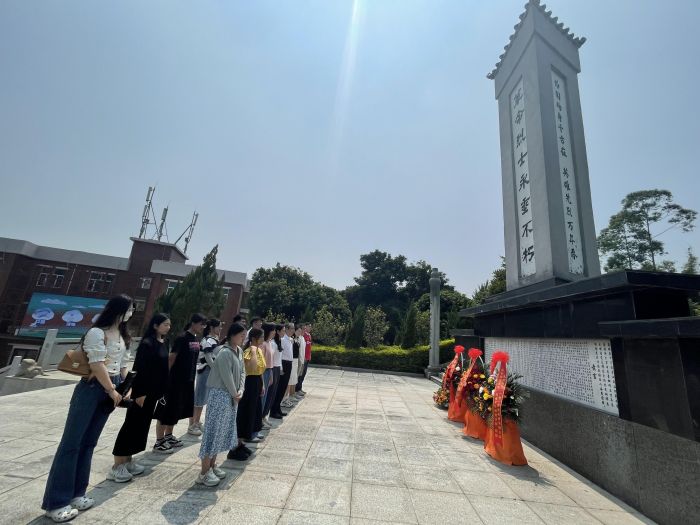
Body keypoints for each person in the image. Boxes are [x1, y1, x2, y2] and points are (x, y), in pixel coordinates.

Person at [42, 295, 134, 523]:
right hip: (92, 389)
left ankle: (77, 493)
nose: (131, 313)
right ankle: (56, 502)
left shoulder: (123, 335)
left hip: (111, 388)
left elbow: (123, 364)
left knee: (89, 443)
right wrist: (111, 390)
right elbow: (96, 364)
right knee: (71, 444)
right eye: (130, 309)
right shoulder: (97, 332)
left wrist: (126, 387)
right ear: (119, 309)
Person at [110, 313, 171, 481]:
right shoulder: (147, 344)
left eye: (169, 324)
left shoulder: (164, 342)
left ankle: (128, 460)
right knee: (131, 426)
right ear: (155, 326)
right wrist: (139, 393)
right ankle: (117, 466)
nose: (168, 327)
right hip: (142, 393)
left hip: (154, 393)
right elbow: (140, 368)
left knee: (141, 427)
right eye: (165, 324)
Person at [197, 323, 246, 486]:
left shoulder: (239, 351)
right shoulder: (224, 352)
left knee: (221, 432)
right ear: (232, 335)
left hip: (232, 396)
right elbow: (226, 376)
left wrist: (241, 389)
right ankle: (204, 472)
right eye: (241, 335)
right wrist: (235, 393)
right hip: (220, 396)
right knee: (213, 432)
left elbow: (243, 372)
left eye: (244, 336)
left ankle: (212, 465)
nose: (243, 338)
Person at [153, 313, 207, 452]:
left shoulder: (195, 339)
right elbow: (172, 357)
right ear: (193, 323)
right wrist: (165, 377)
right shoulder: (182, 338)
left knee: (176, 409)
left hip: (187, 381)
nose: (203, 327)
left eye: (204, 324)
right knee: (165, 410)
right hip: (174, 381)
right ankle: (159, 441)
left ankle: (169, 435)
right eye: (201, 324)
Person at [190, 318, 223, 436]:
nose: (220, 329)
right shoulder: (208, 341)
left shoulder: (214, 340)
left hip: (210, 371)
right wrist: (216, 370)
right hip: (205, 371)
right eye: (219, 326)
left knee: (204, 398)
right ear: (212, 328)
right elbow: (208, 358)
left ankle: (197, 422)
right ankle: (193, 424)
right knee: (199, 398)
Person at [235, 328, 266, 443]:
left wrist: (262, 385)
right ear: (254, 338)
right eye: (261, 337)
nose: (263, 339)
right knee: (249, 408)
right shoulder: (248, 351)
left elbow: (260, 370)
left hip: (257, 380)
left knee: (257, 408)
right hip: (249, 381)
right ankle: (246, 434)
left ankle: (254, 431)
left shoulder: (259, 350)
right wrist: (253, 350)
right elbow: (252, 367)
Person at [270, 322, 293, 418]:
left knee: (283, 388)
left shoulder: (287, 340)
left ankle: (277, 408)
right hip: (282, 364)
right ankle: (273, 410)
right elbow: (279, 356)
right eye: (283, 330)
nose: (284, 332)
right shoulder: (281, 340)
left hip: (287, 364)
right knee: (279, 389)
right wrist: (281, 368)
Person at [263, 324, 284, 421]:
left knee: (272, 393)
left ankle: (265, 416)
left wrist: (280, 368)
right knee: (268, 393)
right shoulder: (271, 343)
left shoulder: (274, 342)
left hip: (275, 368)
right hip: (271, 368)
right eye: (273, 330)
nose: (274, 332)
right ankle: (263, 416)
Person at [259, 322, 277, 429]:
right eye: (273, 330)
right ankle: (259, 421)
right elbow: (260, 362)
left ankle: (262, 418)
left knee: (266, 397)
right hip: (263, 371)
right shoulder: (263, 344)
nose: (274, 332)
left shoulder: (269, 342)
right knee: (262, 397)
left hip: (269, 370)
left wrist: (271, 374)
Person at [283, 324, 300, 408]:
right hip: (284, 363)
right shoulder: (283, 339)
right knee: (285, 383)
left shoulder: (290, 339)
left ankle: (286, 398)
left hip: (290, 362)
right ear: (286, 329)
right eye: (292, 328)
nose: (293, 330)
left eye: (293, 328)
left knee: (289, 381)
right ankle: (283, 399)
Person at [296, 323, 312, 395]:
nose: (310, 328)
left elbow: (308, 347)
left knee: (303, 374)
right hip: (303, 358)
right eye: (309, 327)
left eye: (310, 327)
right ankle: (297, 389)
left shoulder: (309, 335)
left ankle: (300, 388)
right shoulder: (303, 336)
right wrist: (304, 357)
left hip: (307, 358)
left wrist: (309, 356)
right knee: (300, 374)